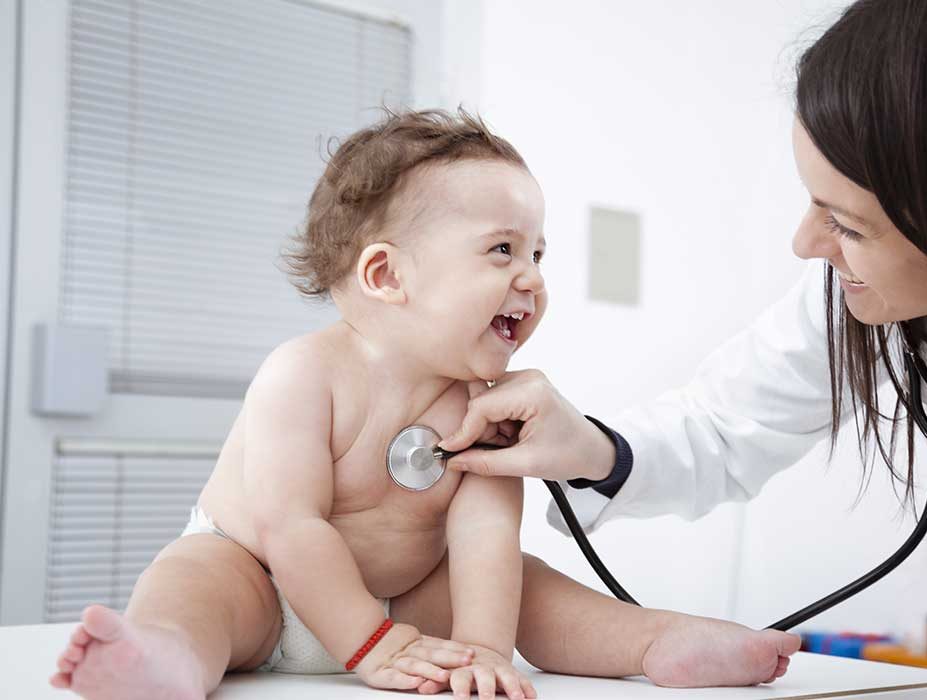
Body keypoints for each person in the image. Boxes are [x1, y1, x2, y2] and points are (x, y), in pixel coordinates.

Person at [49, 109, 800, 700]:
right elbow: (290, 525)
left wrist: (480, 647)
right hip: (266, 586)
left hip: (402, 605)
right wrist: (369, 646)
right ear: (386, 276)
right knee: (192, 581)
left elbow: (484, 539)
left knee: (527, 584)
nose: (533, 277)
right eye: (503, 250)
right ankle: (167, 660)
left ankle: (654, 640)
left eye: (539, 253)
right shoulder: (303, 375)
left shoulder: (487, 405)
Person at [436, 1, 927, 698]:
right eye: (813, 203)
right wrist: (592, 446)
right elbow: (722, 426)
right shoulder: (851, 300)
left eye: (848, 224)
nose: (806, 245)